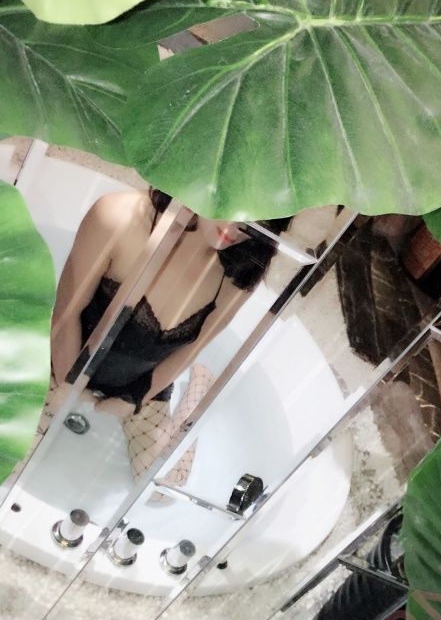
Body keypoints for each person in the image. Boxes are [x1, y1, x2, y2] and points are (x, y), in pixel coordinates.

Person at [44, 187, 291, 490]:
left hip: (141, 383)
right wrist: (69, 383)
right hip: (60, 361)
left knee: (165, 485)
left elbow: (192, 348)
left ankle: (196, 391)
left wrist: (136, 397)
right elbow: (66, 314)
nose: (234, 227)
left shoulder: (237, 274)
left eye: (256, 217)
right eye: (228, 203)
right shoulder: (119, 216)